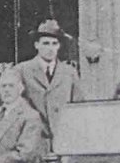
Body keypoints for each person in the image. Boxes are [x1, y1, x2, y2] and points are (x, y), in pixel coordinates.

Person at [16, 19, 81, 148]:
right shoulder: (22, 70)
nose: (50, 48)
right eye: (45, 43)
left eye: (54, 44)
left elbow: (78, 106)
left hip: (63, 140)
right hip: (34, 141)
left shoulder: (69, 72)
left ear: (59, 46)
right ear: (36, 45)